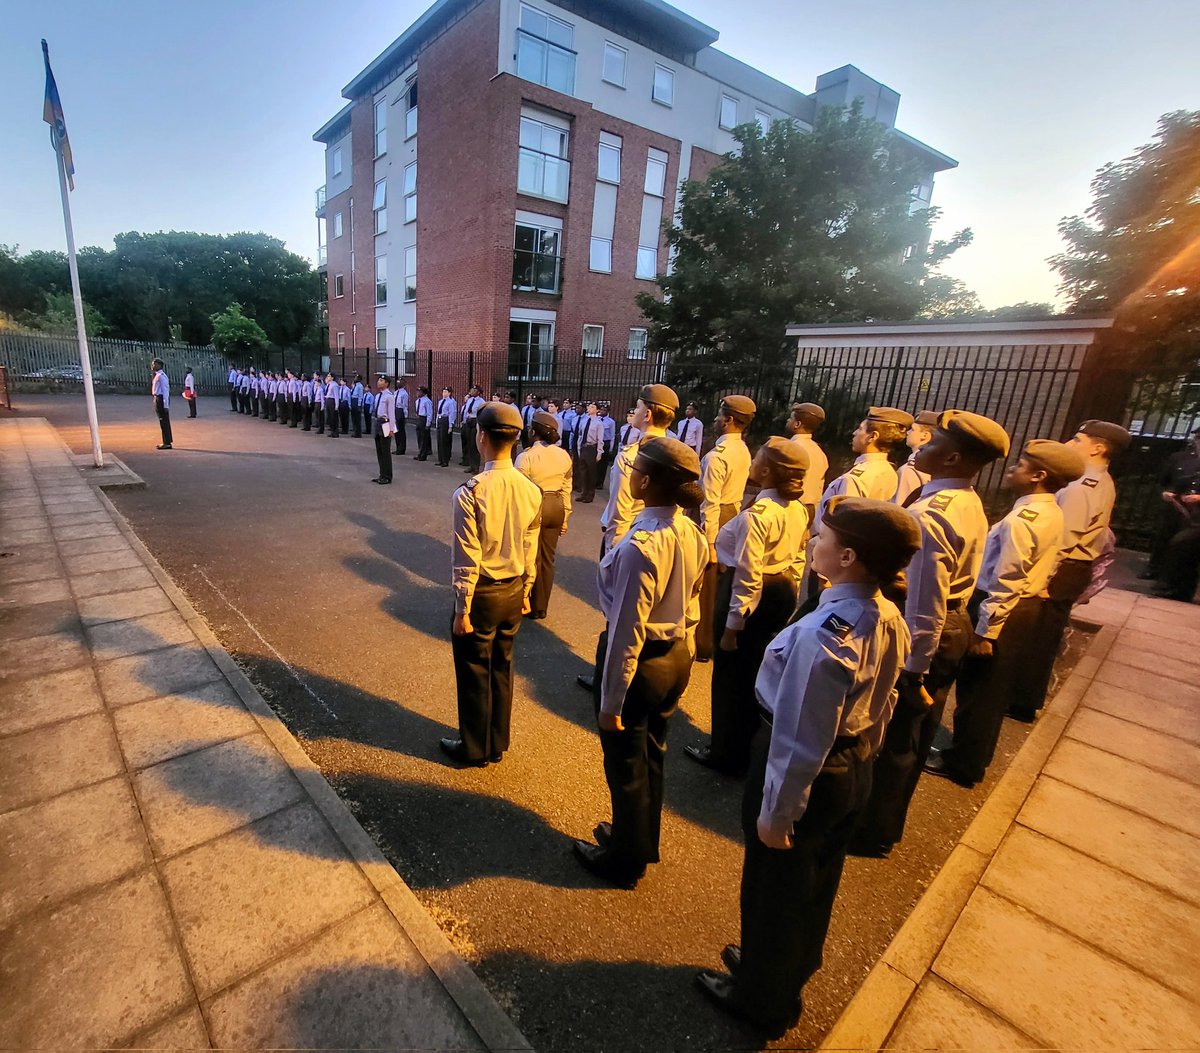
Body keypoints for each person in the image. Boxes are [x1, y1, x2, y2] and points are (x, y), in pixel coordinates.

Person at [695, 497, 919, 1038]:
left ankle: (761, 1000)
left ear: (847, 555)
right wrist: (864, 754)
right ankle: (784, 971)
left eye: (820, 538)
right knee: (814, 884)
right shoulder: (886, 612)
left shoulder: (829, 632)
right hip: (849, 767)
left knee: (774, 888)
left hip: (812, 773)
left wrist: (778, 810)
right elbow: (886, 700)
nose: (810, 543)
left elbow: (801, 734)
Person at [850, 410, 1009, 858]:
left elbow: (924, 605)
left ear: (954, 456)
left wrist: (913, 670)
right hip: (951, 623)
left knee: (898, 734)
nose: (920, 444)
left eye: (934, 440)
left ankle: (871, 828)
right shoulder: (962, 500)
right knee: (914, 737)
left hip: (929, 630)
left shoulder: (930, 515)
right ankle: (884, 823)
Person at [573, 437, 709, 889]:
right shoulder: (690, 531)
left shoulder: (640, 545)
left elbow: (627, 630)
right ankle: (639, 837)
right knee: (651, 755)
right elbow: (692, 599)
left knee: (626, 768)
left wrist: (610, 700)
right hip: (675, 656)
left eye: (636, 469)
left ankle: (624, 861)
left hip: (643, 662)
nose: (627, 472)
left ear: (646, 481)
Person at [925, 440, 1084, 787]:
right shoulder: (1050, 510)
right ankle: (973, 756)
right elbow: (1052, 558)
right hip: (1025, 605)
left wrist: (986, 632)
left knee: (979, 691)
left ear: (1039, 476)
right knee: (993, 689)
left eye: (1022, 465)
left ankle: (963, 763)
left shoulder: (1023, 520)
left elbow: (1007, 579)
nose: (1013, 469)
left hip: (1002, 609)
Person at [685, 438, 809, 776]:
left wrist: (732, 626)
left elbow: (748, 575)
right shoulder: (797, 509)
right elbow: (798, 558)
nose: (751, 462)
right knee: (755, 671)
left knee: (730, 677)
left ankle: (725, 752)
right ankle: (747, 743)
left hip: (751, 595)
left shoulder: (759, 515)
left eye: (756, 459)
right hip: (780, 589)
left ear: (766, 471)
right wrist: (791, 592)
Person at [441, 402, 543, 767]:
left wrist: (461, 608)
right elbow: (531, 548)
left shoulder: (470, 492)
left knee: (473, 671)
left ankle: (473, 747)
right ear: (516, 440)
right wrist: (527, 592)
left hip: (482, 593)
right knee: (502, 666)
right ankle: (497, 741)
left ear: (481, 437)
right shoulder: (531, 490)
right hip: (514, 589)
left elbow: (466, 558)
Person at [1011, 419, 1130, 720]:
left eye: (1078, 439)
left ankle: (1022, 701)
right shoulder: (1099, 480)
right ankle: (1024, 697)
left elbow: (1064, 540)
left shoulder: (1081, 486)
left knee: (1039, 637)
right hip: (1074, 567)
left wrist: (1043, 579)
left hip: (1064, 568)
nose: (1070, 443)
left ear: (1098, 448)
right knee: (1043, 635)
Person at [696, 395, 756, 662]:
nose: (715, 420)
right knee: (720, 583)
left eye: (719, 415)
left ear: (729, 420)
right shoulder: (742, 448)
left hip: (718, 516)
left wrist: (709, 542)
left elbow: (710, 502)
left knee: (705, 584)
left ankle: (702, 643)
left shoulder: (716, 457)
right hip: (733, 510)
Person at [600, 385, 678, 556]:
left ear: (647, 414)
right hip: (663, 536)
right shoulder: (677, 452)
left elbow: (620, 511)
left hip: (630, 535)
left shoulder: (631, 456)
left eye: (637, 407)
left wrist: (612, 550)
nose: (634, 412)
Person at [516, 411, 574, 619]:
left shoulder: (527, 456)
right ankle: (541, 606)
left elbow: (519, 489)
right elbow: (567, 486)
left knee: (529, 554)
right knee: (548, 558)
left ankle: (524, 601)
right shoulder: (564, 455)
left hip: (535, 504)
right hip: (556, 504)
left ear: (533, 431)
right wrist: (566, 515)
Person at [1143, 427, 1200, 589]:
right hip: (1175, 507)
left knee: (1183, 546)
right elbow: (1163, 481)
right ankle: (1155, 570)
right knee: (1164, 537)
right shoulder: (1179, 458)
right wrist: (1165, 493)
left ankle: (1171, 581)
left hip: (1197, 514)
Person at [786, 402, 828, 523]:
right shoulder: (819, 452)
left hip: (790, 507)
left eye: (790, 418)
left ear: (797, 424)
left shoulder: (790, 448)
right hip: (810, 509)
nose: (788, 421)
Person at [893, 410, 938, 505]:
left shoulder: (910, 469)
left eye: (912, 429)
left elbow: (901, 506)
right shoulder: (935, 464)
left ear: (924, 435)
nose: (908, 432)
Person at [574, 402, 602, 502]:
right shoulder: (584, 421)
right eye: (589, 406)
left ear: (597, 410)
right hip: (583, 447)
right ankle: (583, 494)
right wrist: (579, 447)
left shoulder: (598, 423)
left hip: (592, 448)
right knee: (583, 472)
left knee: (591, 473)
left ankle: (590, 495)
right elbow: (580, 435)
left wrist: (599, 453)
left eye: (593, 407)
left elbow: (600, 440)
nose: (590, 408)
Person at [372, 376, 397, 484]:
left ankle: (387, 476)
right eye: (378, 380)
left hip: (385, 423)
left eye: (381, 381)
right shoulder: (378, 396)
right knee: (379, 450)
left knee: (385, 451)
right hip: (378, 422)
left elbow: (391, 413)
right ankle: (381, 474)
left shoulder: (389, 396)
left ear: (387, 383)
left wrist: (392, 429)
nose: (378, 382)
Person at [150, 358, 173, 450]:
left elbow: (165, 391)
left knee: (164, 421)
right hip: (158, 398)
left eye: (154, 364)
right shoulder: (157, 375)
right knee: (163, 421)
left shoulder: (161, 376)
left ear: (159, 365)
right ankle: (166, 441)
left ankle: (167, 442)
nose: (152, 366)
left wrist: (166, 405)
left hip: (161, 399)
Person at [461, 385, 485, 470]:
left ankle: (475, 466)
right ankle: (471, 465)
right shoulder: (469, 400)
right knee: (469, 443)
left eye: (474, 390)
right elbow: (466, 411)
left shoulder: (481, 401)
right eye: (472, 389)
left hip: (475, 421)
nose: (472, 391)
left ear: (478, 392)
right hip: (468, 421)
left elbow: (481, 413)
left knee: (474, 444)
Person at [436, 386, 458, 467]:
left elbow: (452, 414)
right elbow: (438, 412)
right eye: (443, 391)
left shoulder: (451, 402)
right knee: (439, 441)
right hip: (440, 419)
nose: (444, 393)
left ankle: (445, 460)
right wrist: (436, 422)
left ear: (449, 393)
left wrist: (450, 425)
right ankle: (440, 459)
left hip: (446, 420)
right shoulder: (440, 401)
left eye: (446, 392)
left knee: (444, 441)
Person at [597, 404, 617, 487]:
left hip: (606, 442)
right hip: (598, 442)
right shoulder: (597, 420)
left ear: (608, 412)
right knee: (596, 463)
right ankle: (594, 481)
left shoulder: (611, 422)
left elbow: (612, 436)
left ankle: (600, 482)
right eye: (601, 410)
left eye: (604, 410)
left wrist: (611, 448)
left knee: (603, 464)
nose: (602, 411)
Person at [394, 379, 409, 455]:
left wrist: (405, 416)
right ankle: (397, 447)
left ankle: (402, 448)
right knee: (396, 430)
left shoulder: (404, 394)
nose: (398, 384)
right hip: (395, 410)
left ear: (403, 384)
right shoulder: (396, 392)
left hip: (400, 411)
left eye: (399, 383)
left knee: (401, 430)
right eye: (397, 383)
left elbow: (405, 405)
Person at [323, 373, 340, 438]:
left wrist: (336, 405)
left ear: (332, 378)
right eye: (327, 376)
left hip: (332, 401)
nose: (327, 377)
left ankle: (335, 432)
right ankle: (332, 431)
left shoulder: (334, 385)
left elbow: (336, 396)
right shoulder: (328, 384)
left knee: (334, 418)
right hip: (328, 400)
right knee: (330, 417)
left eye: (329, 376)